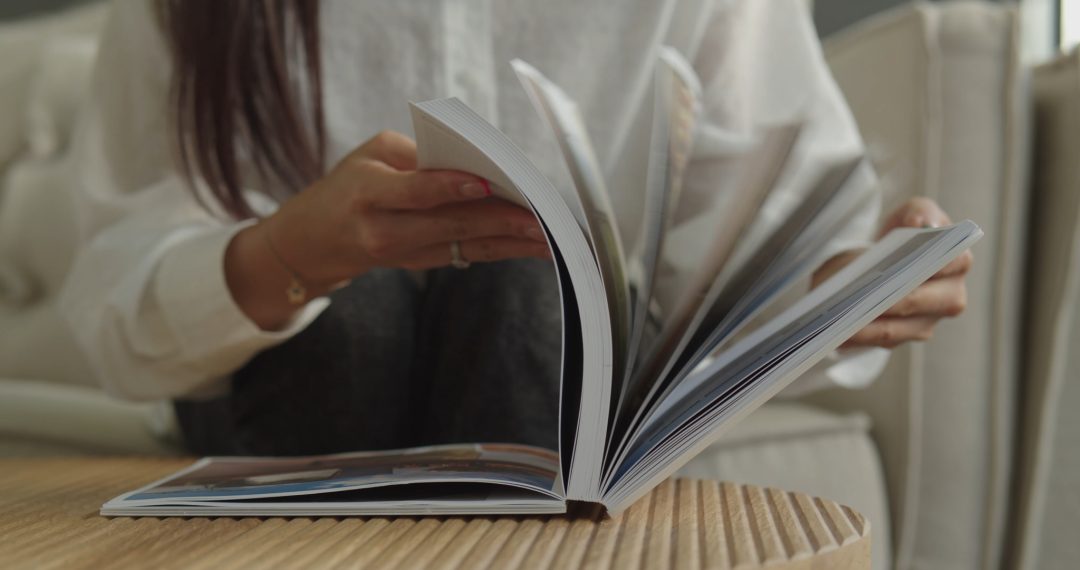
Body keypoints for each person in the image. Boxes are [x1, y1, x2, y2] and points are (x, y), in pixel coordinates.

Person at [58, 0, 972, 456]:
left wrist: (840, 287)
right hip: (289, 380)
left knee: (535, 289)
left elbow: (771, 218)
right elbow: (115, 291)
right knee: (353, 321)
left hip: (549, 357)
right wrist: (296, 252)